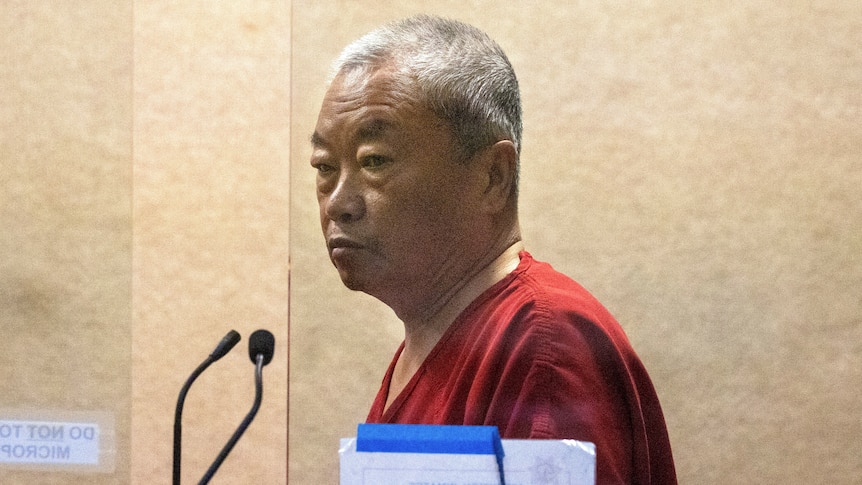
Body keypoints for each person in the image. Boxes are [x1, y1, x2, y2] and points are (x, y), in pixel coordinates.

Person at [309, 14, 677, 484]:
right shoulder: (429, 341)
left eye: (374, 161)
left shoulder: (540, 343)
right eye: (324, 167)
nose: (339, 203)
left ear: (492, 177)